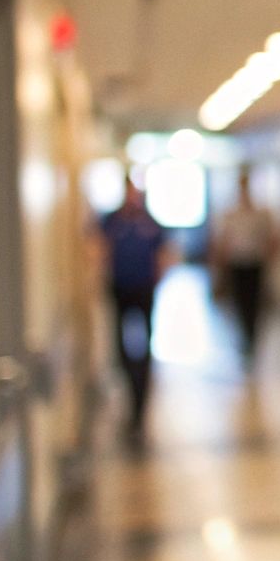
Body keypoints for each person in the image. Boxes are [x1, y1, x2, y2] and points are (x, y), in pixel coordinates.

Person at [96, 175, 171, 441]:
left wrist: (159, 278)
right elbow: (98, 250)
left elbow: (164, 253)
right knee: (121, 348)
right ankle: (129, 382)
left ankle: (140, 405)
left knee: (145, 346)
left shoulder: (150, 222)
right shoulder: (111, 221)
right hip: (120, 288)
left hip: (144, 289)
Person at [209, 170, 280, 362]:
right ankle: (245, 338)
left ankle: (252, 338)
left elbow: (274, 239)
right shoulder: (231, 214)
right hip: (237, 265)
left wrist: (271, 258)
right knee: (240, 303)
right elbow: (223, 242)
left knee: (255, 304)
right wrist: (219, 269)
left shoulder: (261, 214)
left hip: (256, 264)